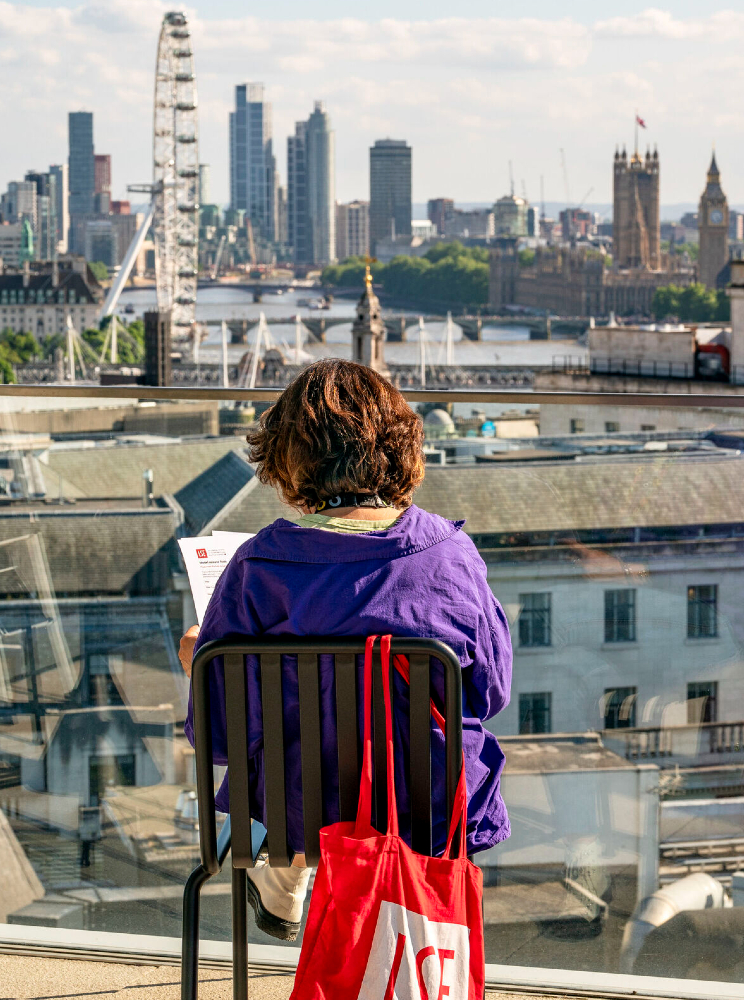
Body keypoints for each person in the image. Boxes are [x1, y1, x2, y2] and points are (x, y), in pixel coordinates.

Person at [179, 359, 511, 941]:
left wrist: (200, 664)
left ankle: (285, 872)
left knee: (294, 736)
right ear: (400, 447)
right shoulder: (452, 555)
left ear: (286, 458)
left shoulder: (258, 566)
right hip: (428, 808)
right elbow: (490, 689)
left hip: (303, 812)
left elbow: (219, 736)